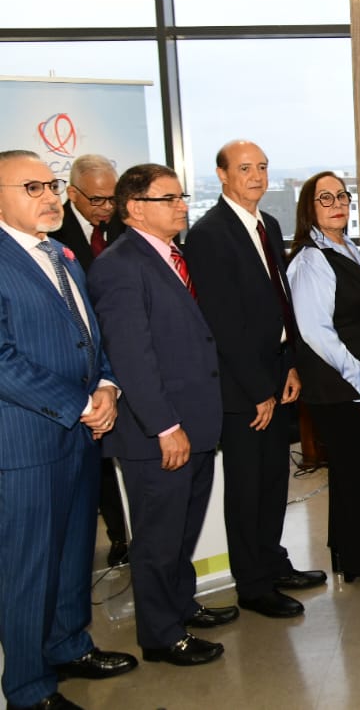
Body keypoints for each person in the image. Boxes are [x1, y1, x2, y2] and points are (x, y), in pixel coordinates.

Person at [0, 150, 136, 710]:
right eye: (32, 188)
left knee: (75, 553)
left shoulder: (61, 255)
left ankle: (69, 645)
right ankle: (29, 687)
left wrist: (106, 386)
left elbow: (90, 336)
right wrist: (79, 403)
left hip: (80, 434)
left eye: (51, 185)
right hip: (26, 443)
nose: (50, 197)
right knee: (29, 568)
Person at [89, 164, 232, 667]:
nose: (181, 206)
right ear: (134, 208)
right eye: (168, 198)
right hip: (158, 431)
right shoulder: (119, 265)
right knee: (158, 537)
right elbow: (132, 357)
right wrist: (165, 427)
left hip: (196, 421)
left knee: (183, 529)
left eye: (181, 196)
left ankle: (180, 605)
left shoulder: (173, 256)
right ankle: (161, 635)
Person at [184, 140, 325, 618]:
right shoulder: (209, 234)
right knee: (247, 490)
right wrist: (258, 389)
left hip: (275, 371)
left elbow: (279, 303)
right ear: (222, 175)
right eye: (245, 168)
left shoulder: (269, 224)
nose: (257, 176)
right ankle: (253, 584)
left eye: (262, 167)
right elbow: (222, 323)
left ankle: (272, 562)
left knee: (273, 483)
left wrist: (289, 365)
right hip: (242, 386)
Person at [287, 173, 360, 585]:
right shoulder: (310, 261)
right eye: (325, 198)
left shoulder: (346, 248)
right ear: (309, 208)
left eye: (341, 196)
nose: (337, 204)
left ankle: (350, 554)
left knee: (357, 471)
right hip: (341, 385)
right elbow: (316, 332)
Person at [49, 153, 129, 568]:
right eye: (97, 200)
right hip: (81, 363)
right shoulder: (52, 231)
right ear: (73, 193)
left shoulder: (124, 225)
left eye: (113, 198)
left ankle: (134, 529)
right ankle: (117, 535)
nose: (106, 208)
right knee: (98, 458)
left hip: (127, 354)